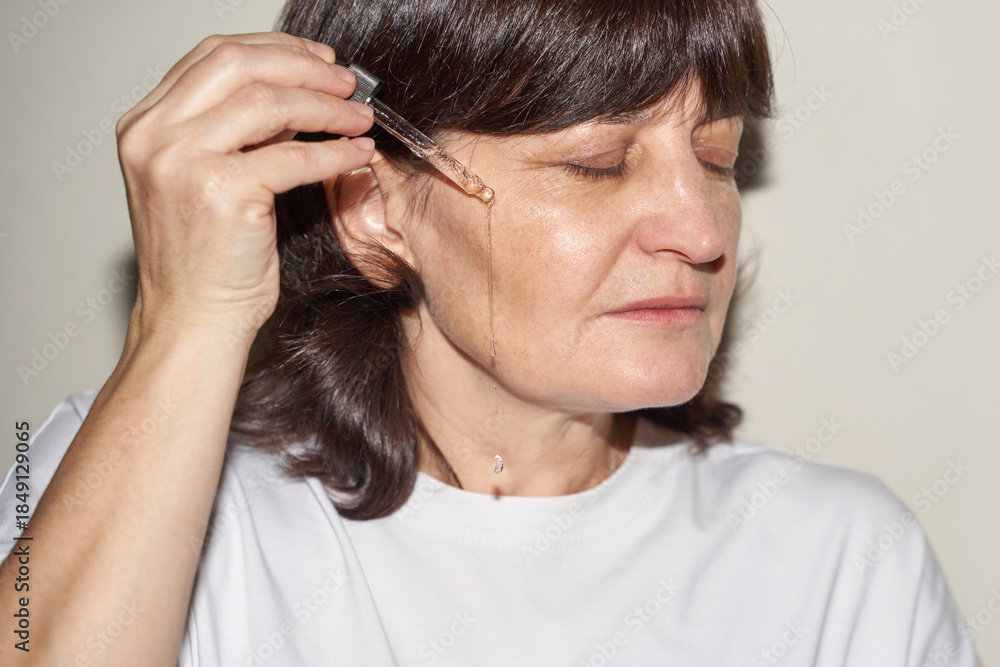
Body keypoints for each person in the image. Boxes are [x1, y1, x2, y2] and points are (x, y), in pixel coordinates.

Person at [0, 0, 982, 665]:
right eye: (597, 163)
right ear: (374, 209)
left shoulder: (842, 560)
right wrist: (185, 327)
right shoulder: (131, 487)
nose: (700, 232)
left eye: (717, 156)